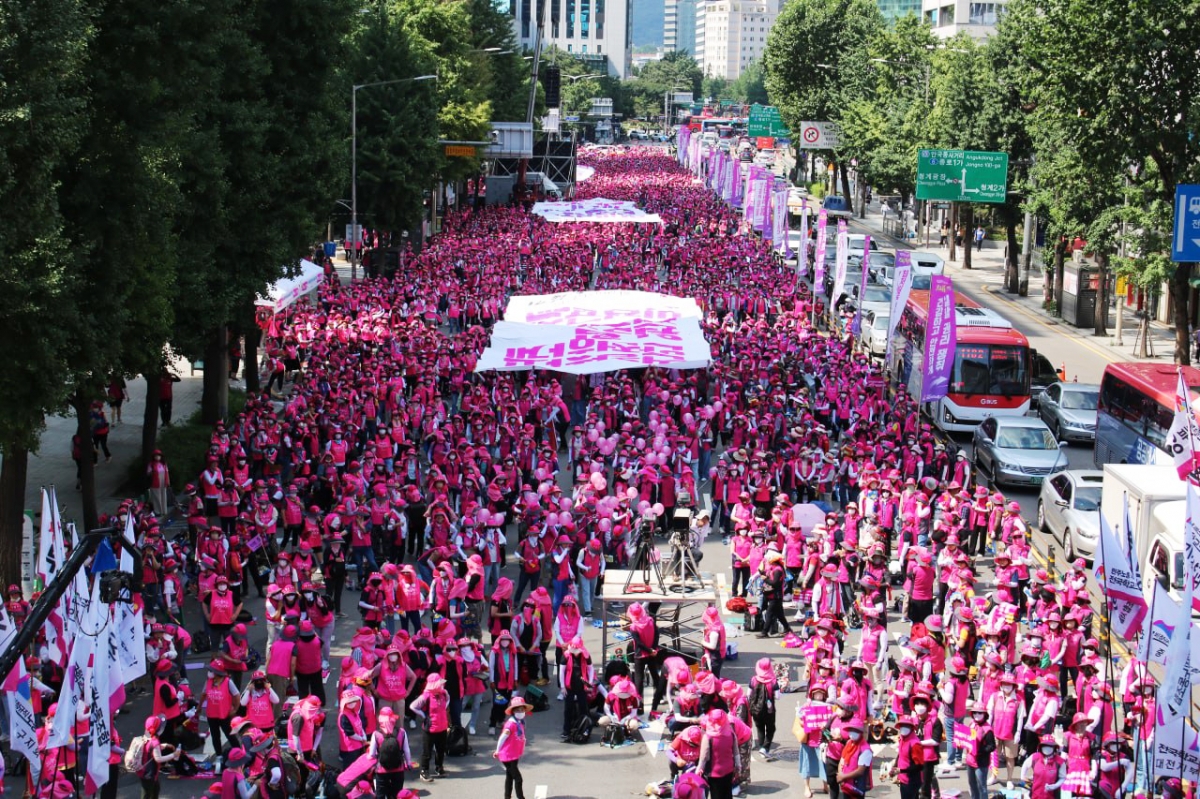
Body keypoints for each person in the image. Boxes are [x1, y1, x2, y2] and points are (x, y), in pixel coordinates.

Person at [410, 672, 451, 782]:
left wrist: (442, 711)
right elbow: (413, 706)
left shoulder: (444, 693)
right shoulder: (426, 696)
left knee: (441, 750)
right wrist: (424, 715)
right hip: (430, 729)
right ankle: (424, 771)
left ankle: (439, 768)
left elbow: (448, 700)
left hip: (442, 727)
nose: (441, 685)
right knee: (427, 752)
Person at [369, 707, 412, 798]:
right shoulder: (402, 732)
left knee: (380, 794)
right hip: (398, 769)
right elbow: (406, 750)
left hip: (381, 770)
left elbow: (372, 754)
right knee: (396, 794)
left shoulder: (376, 734)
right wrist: (408, 763)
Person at [697, 709, 740, 799]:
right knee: (727, 794)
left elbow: (704, 757)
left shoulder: (708, 737)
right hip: (729, 770)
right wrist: (738, 766)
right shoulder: (731, 734)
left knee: (716, 795)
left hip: (714, 773)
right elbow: (736, 752)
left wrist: (699, 769)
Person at [494, 695, 532, 799]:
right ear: (513, 711)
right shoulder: (511, 724)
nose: (521, 712)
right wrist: (497, 750)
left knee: (510, 776)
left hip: (514, 754)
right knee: (518, 779)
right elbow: (502, 738)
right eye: (518, 710)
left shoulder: (519, 722)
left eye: (522, 710)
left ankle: (507, 796)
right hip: (508, 756)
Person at [962, 702, 996, 799]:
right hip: (970, 760)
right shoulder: (971, 724)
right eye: (975, 712)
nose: (977, 715)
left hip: (981, 763)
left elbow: (992, 746)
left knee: (982, 787)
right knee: (972, 785)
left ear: (984, 714)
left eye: (980, 713)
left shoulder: (987, 729)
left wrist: (980, 750)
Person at [835, 718, 873, 799]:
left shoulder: (865, 749)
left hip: (856, 788)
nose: (852, 732)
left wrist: (843, 777)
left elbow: (860, 771)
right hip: (846, 785)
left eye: (855, 730)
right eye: (851, 730)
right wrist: (840, 774)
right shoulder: (849, 743)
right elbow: (842, 760)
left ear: (860, 732)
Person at [748, 657, 777, 759]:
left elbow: (748, 694)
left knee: (760, 728)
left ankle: (761, 747)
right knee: (771, 729)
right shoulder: (773, 681)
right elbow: (778, 696)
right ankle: (765, 748)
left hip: (756, 709)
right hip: (769, 711)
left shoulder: (753, 680)